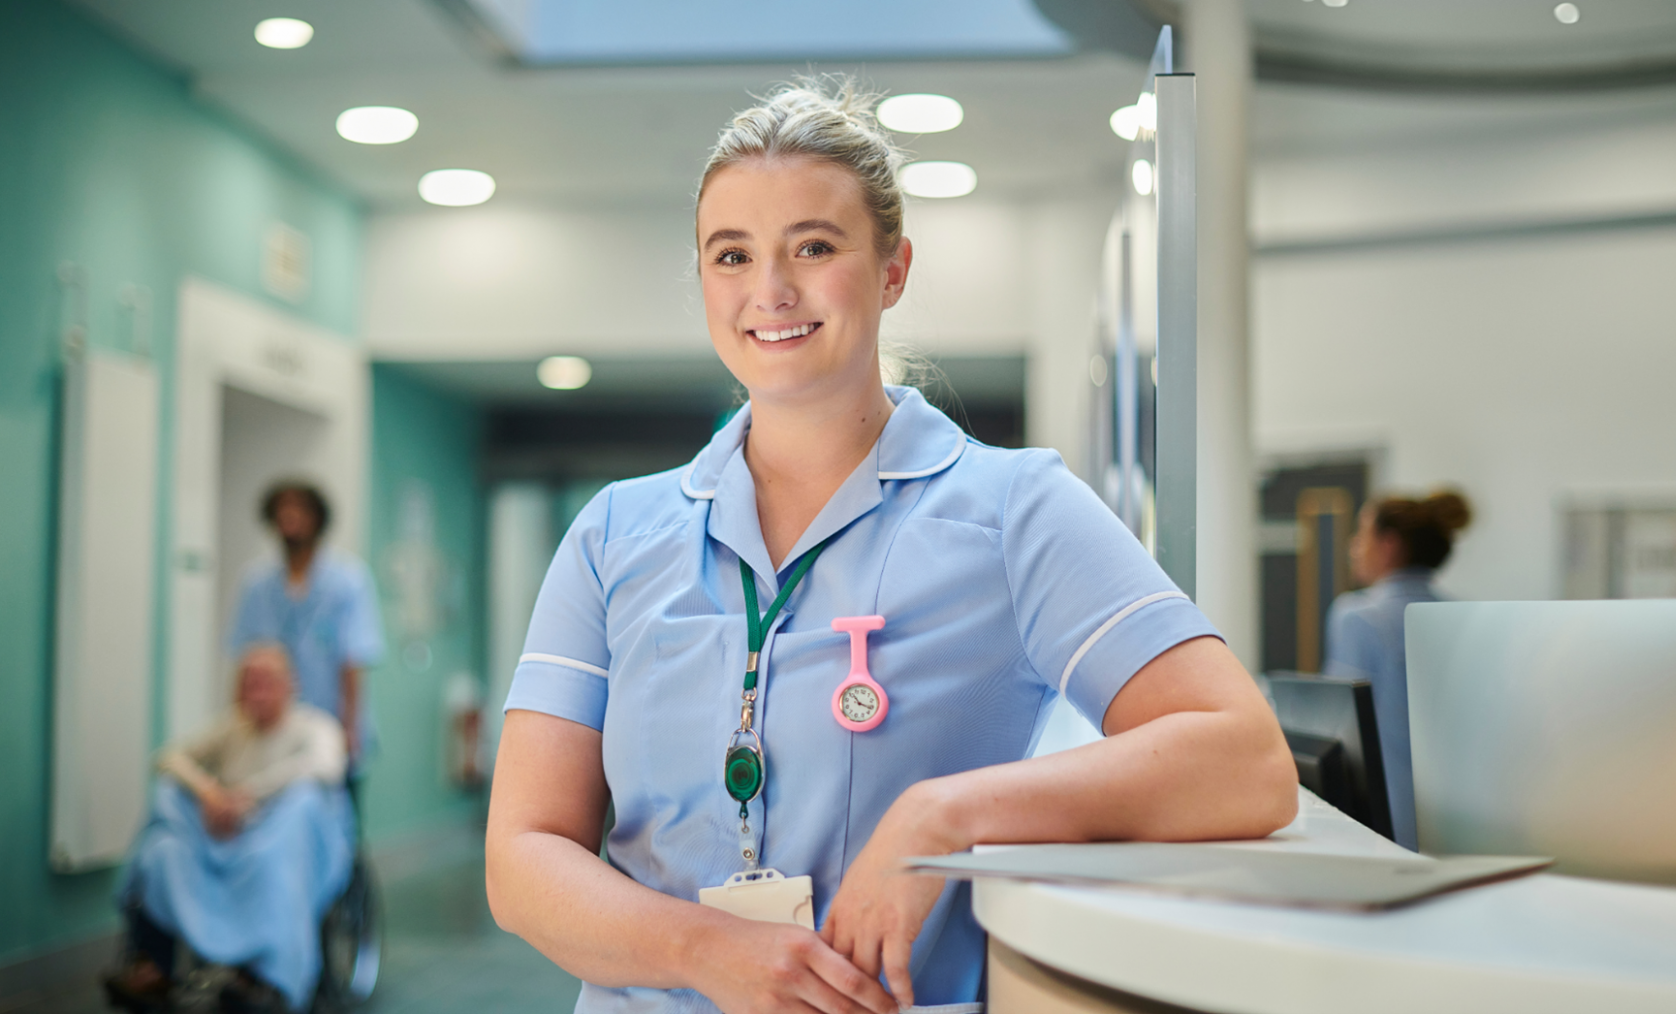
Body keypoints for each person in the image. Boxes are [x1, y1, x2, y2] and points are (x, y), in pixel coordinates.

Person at [486, 78, 1297, 1014]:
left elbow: (1244, 758)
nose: (771, 291)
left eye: (815, 247)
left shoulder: (1011, 508)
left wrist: (945, 815)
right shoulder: (614, 534)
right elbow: (523, 857)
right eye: (732, 255)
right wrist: (706, 951)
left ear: (892, 269)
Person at [108, 644, 355, 1014]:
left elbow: (326, 767)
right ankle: (153, 965)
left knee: (299, 809)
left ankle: (267, 975)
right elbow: (169, 758)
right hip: (223, 840)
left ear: (290, 684)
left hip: (279, 843)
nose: (256, 690)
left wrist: (249, 796)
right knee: (163, 834)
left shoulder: (315, 727)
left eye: (266, 681)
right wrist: (209, 793)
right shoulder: (231, 729)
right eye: (248, 681)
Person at [1324, 489, 1473, 851]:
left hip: (1385, 820)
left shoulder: (1358, 618)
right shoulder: (1465, 617)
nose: (1353, 546)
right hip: (1463, 821)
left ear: (1388, 545)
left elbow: (1334, 732)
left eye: (1362, 534)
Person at [230, 481, 384, 766]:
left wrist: (349, 730)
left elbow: (353, 661)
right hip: (270, 730)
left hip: (331, 722)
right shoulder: (256, 584)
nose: (290, 517)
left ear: (318, 519)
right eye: (282, 510)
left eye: (300, 509)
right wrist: (238, 728)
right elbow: (245, 660)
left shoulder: (348, 581)